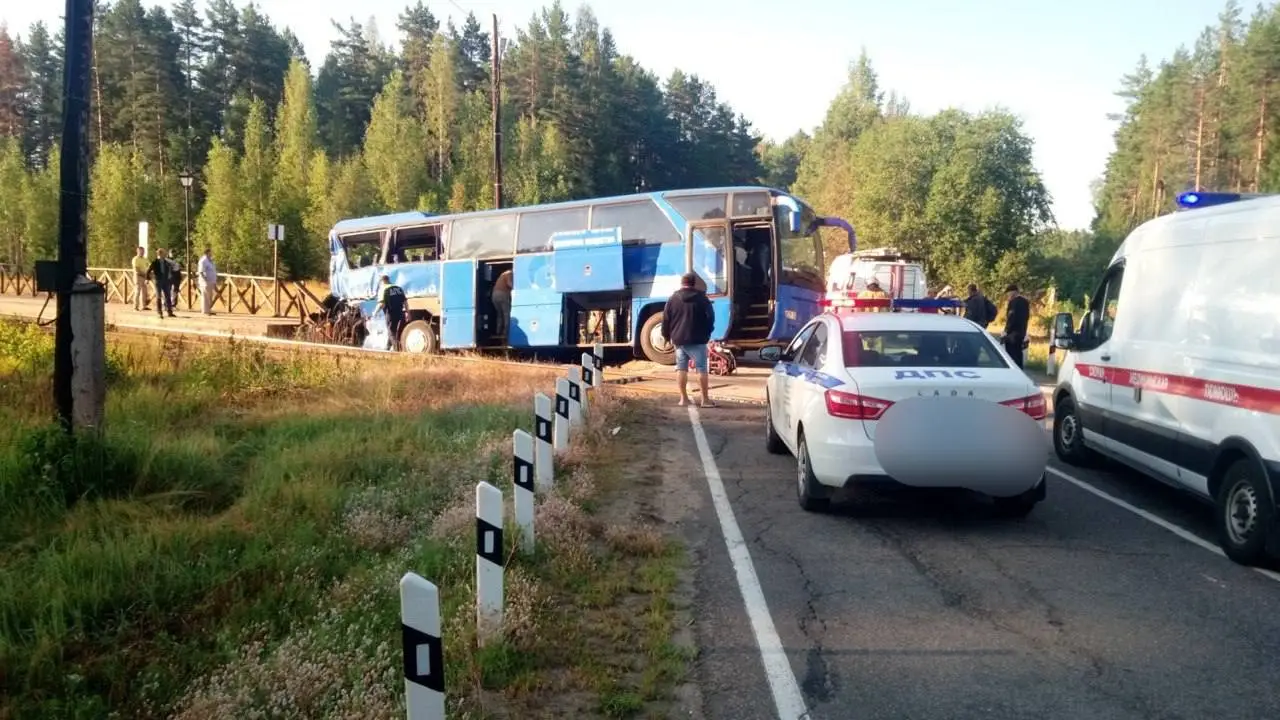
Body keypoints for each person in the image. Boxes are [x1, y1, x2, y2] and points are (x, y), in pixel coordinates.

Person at [661, 272, 717, 408]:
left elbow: (666, 320)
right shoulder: (702, 298)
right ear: (694, 283)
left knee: (681, 368)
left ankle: (683, 399)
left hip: (679, 340)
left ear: (682, 283)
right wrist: (708, 333)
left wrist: (667, 336)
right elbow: (710, 318)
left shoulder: (673, 299)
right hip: (698, 339)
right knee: (701, 369)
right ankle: (705, 400)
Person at [375, 274, 408, 351]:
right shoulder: (398, 288)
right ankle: (387, 348)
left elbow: (381, 304)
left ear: (382, 281)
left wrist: (375, 312)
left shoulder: (383, 289)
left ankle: (397, 350)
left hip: (390, 314)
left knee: (391, 332)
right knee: (393, 331)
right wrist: (408, 313)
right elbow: (405, 302)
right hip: (400, 313)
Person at [1003, 283, 1031, 369]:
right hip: (1021, 331)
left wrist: (1006, 331)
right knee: (1018, 353)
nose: (1008, 295)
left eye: (1008, 293)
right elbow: (1026, 317)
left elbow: (1011, 317)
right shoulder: (1025, 302)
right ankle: (1020, 370)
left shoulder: (1013, 302)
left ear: (1013, 292)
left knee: (1011, 353)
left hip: (1013, 333)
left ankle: (1013, 370)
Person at [146, 248, 177, 318]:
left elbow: (171, 269)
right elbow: (148, 270)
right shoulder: (155, 262)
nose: (165, 254)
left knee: (168, 296)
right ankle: (159, 312)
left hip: (166, 281)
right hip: (158, 281)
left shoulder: (166, 262)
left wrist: (170, 277)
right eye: (164, 253)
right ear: (160, 254)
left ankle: (169, 312)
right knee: (159, 296)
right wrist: (147, 279)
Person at [492, 268, 513, 340]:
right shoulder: (509, 273)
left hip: (494, 295)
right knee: (506, 313)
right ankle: (506, 332)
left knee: (499, 314)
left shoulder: (502, 275)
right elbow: (509, 284)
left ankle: (498, 331)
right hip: (502, 294)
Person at [198, 248, 217, 315]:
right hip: (205, 281)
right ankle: (205, 311)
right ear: (207, 253)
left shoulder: (210, 260)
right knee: (205, 296)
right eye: (210, 252)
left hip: (211, 281)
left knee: (209, 296)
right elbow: (201, 271)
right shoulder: (203, 261)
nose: (211, 253)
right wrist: (205, 280)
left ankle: (208, 310)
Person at [132, 246, 151, 311]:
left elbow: (149, 266)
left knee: (144, 291)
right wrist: (143, 274)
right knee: (137, 291)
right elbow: (136, 268)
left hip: (144, 276)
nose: (142, 252)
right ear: (137, 251)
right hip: (138, 276)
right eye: (141, 251)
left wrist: (147, 275)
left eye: (143, 251)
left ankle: (144, 306)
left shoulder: (145, 259)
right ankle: (135, 307)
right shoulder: (135, 259)